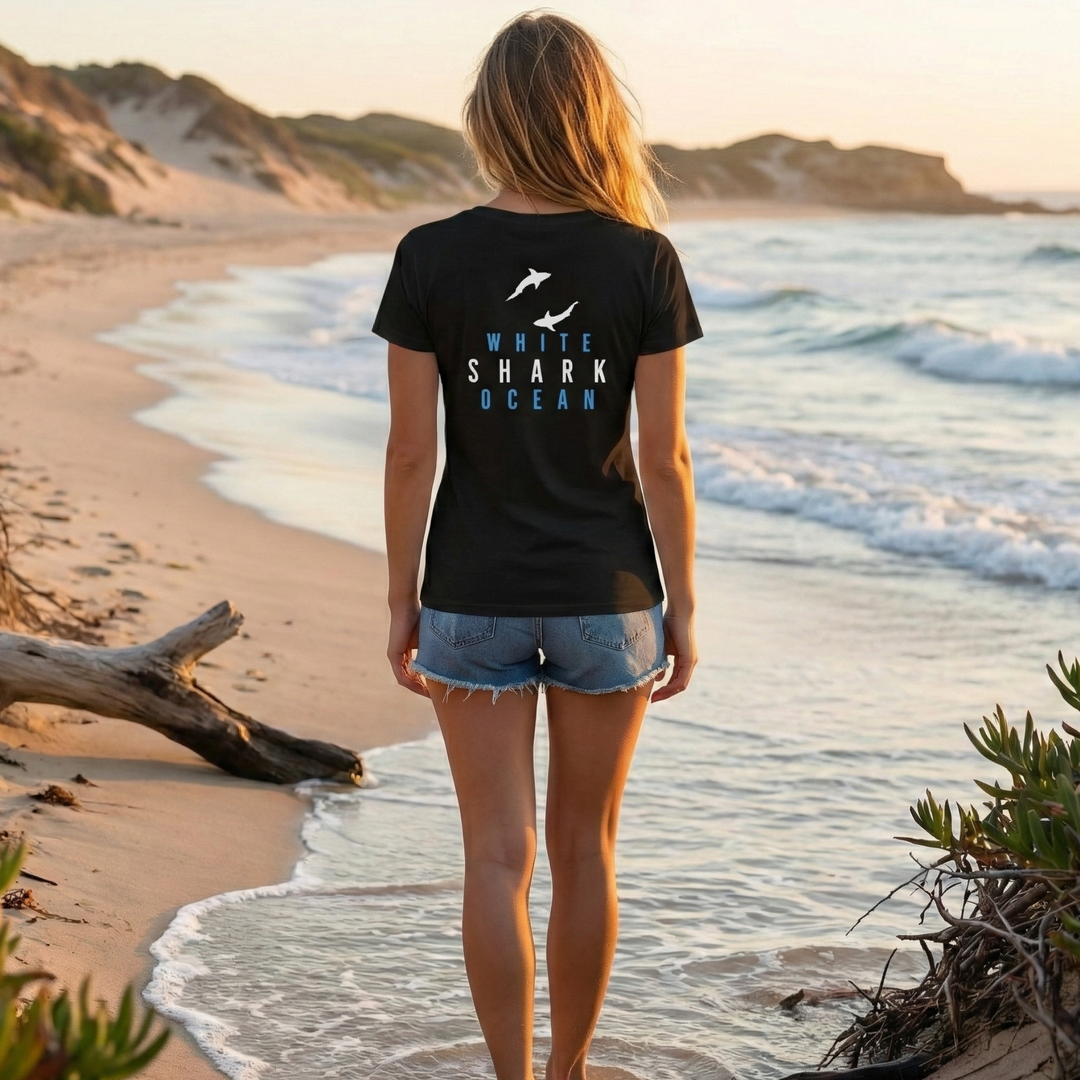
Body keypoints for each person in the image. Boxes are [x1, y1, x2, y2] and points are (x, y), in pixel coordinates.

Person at [373, 13, 701, 1080]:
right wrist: (682, 607)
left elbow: (410, 456)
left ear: (488, 116)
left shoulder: (431, 258)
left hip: (470, 590)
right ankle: (567, 1077)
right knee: (583, 853)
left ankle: (512, 1079)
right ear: (596, 114)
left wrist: (400, 600)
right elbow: (667, 463)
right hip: (608, 595)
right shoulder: (643, 261)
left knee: (494, 857)